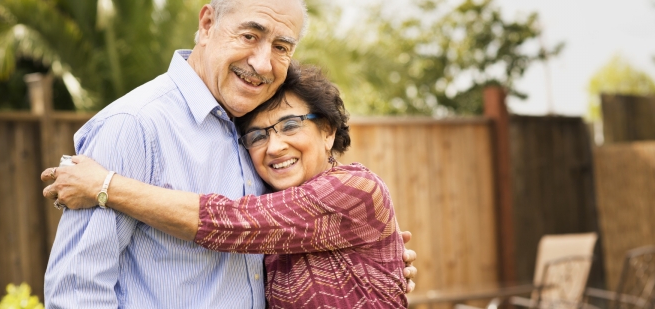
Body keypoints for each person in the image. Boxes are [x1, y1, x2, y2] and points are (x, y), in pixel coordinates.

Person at [42, 0, 415, 309]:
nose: (262, 63)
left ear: (328, 131)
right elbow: (77, 290)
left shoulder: (253, 136)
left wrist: (374, 264)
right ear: (207, 24)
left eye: (282, 47)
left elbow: (240, 223)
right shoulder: (134, 124)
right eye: (250, 35)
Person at [43, 63, 407, 308]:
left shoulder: (356, 189)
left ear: (327, 131)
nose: (275, 146)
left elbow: (232, 221)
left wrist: (105, 185)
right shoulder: (277, 204)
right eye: (257, 135)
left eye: (291, 125)